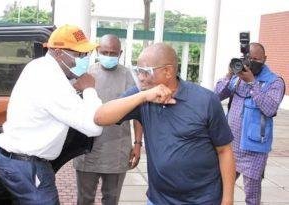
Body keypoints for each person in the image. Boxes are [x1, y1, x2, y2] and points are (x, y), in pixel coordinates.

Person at [94, 43, 236, 205]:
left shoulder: (206, 101)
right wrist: (142, 97)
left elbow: (225, 150)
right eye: (138, 71)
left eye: (145, 72)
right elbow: (100, 117)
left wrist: (228, 199)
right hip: (159, 199)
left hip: (204, 199)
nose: (140, 77)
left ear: (167, 71)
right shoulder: (143, 94)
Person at [0, 24, 103, 205]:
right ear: (58, 52)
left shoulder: (39, 66)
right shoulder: (51, 80)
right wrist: (89, 88)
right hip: (29, 167)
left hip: (17, 162)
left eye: (86, 54)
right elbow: (93, 127)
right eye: (80, 54)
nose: (84, 60)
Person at [73, 34, 143, 205]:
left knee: (111, 199)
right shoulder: (85, 75)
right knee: (85, 199)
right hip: (87, 151)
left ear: (120, 53)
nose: (109, 56)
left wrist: (138, 144)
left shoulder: (129, 76)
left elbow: (139, 113)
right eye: (105, 52)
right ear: (98, 51)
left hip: (117, 152)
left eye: (113, 53)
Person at [215, 42, 285, 205]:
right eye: (248, 58)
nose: (250, 62)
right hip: (230, 145)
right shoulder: (237, 77)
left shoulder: (274, 81)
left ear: (264, 59)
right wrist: (228, 75)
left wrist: (252, 83)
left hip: (254, 149)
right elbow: (216, 95)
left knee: (251, 196)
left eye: (256, 59)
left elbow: (269, 109)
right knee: (220, 189)